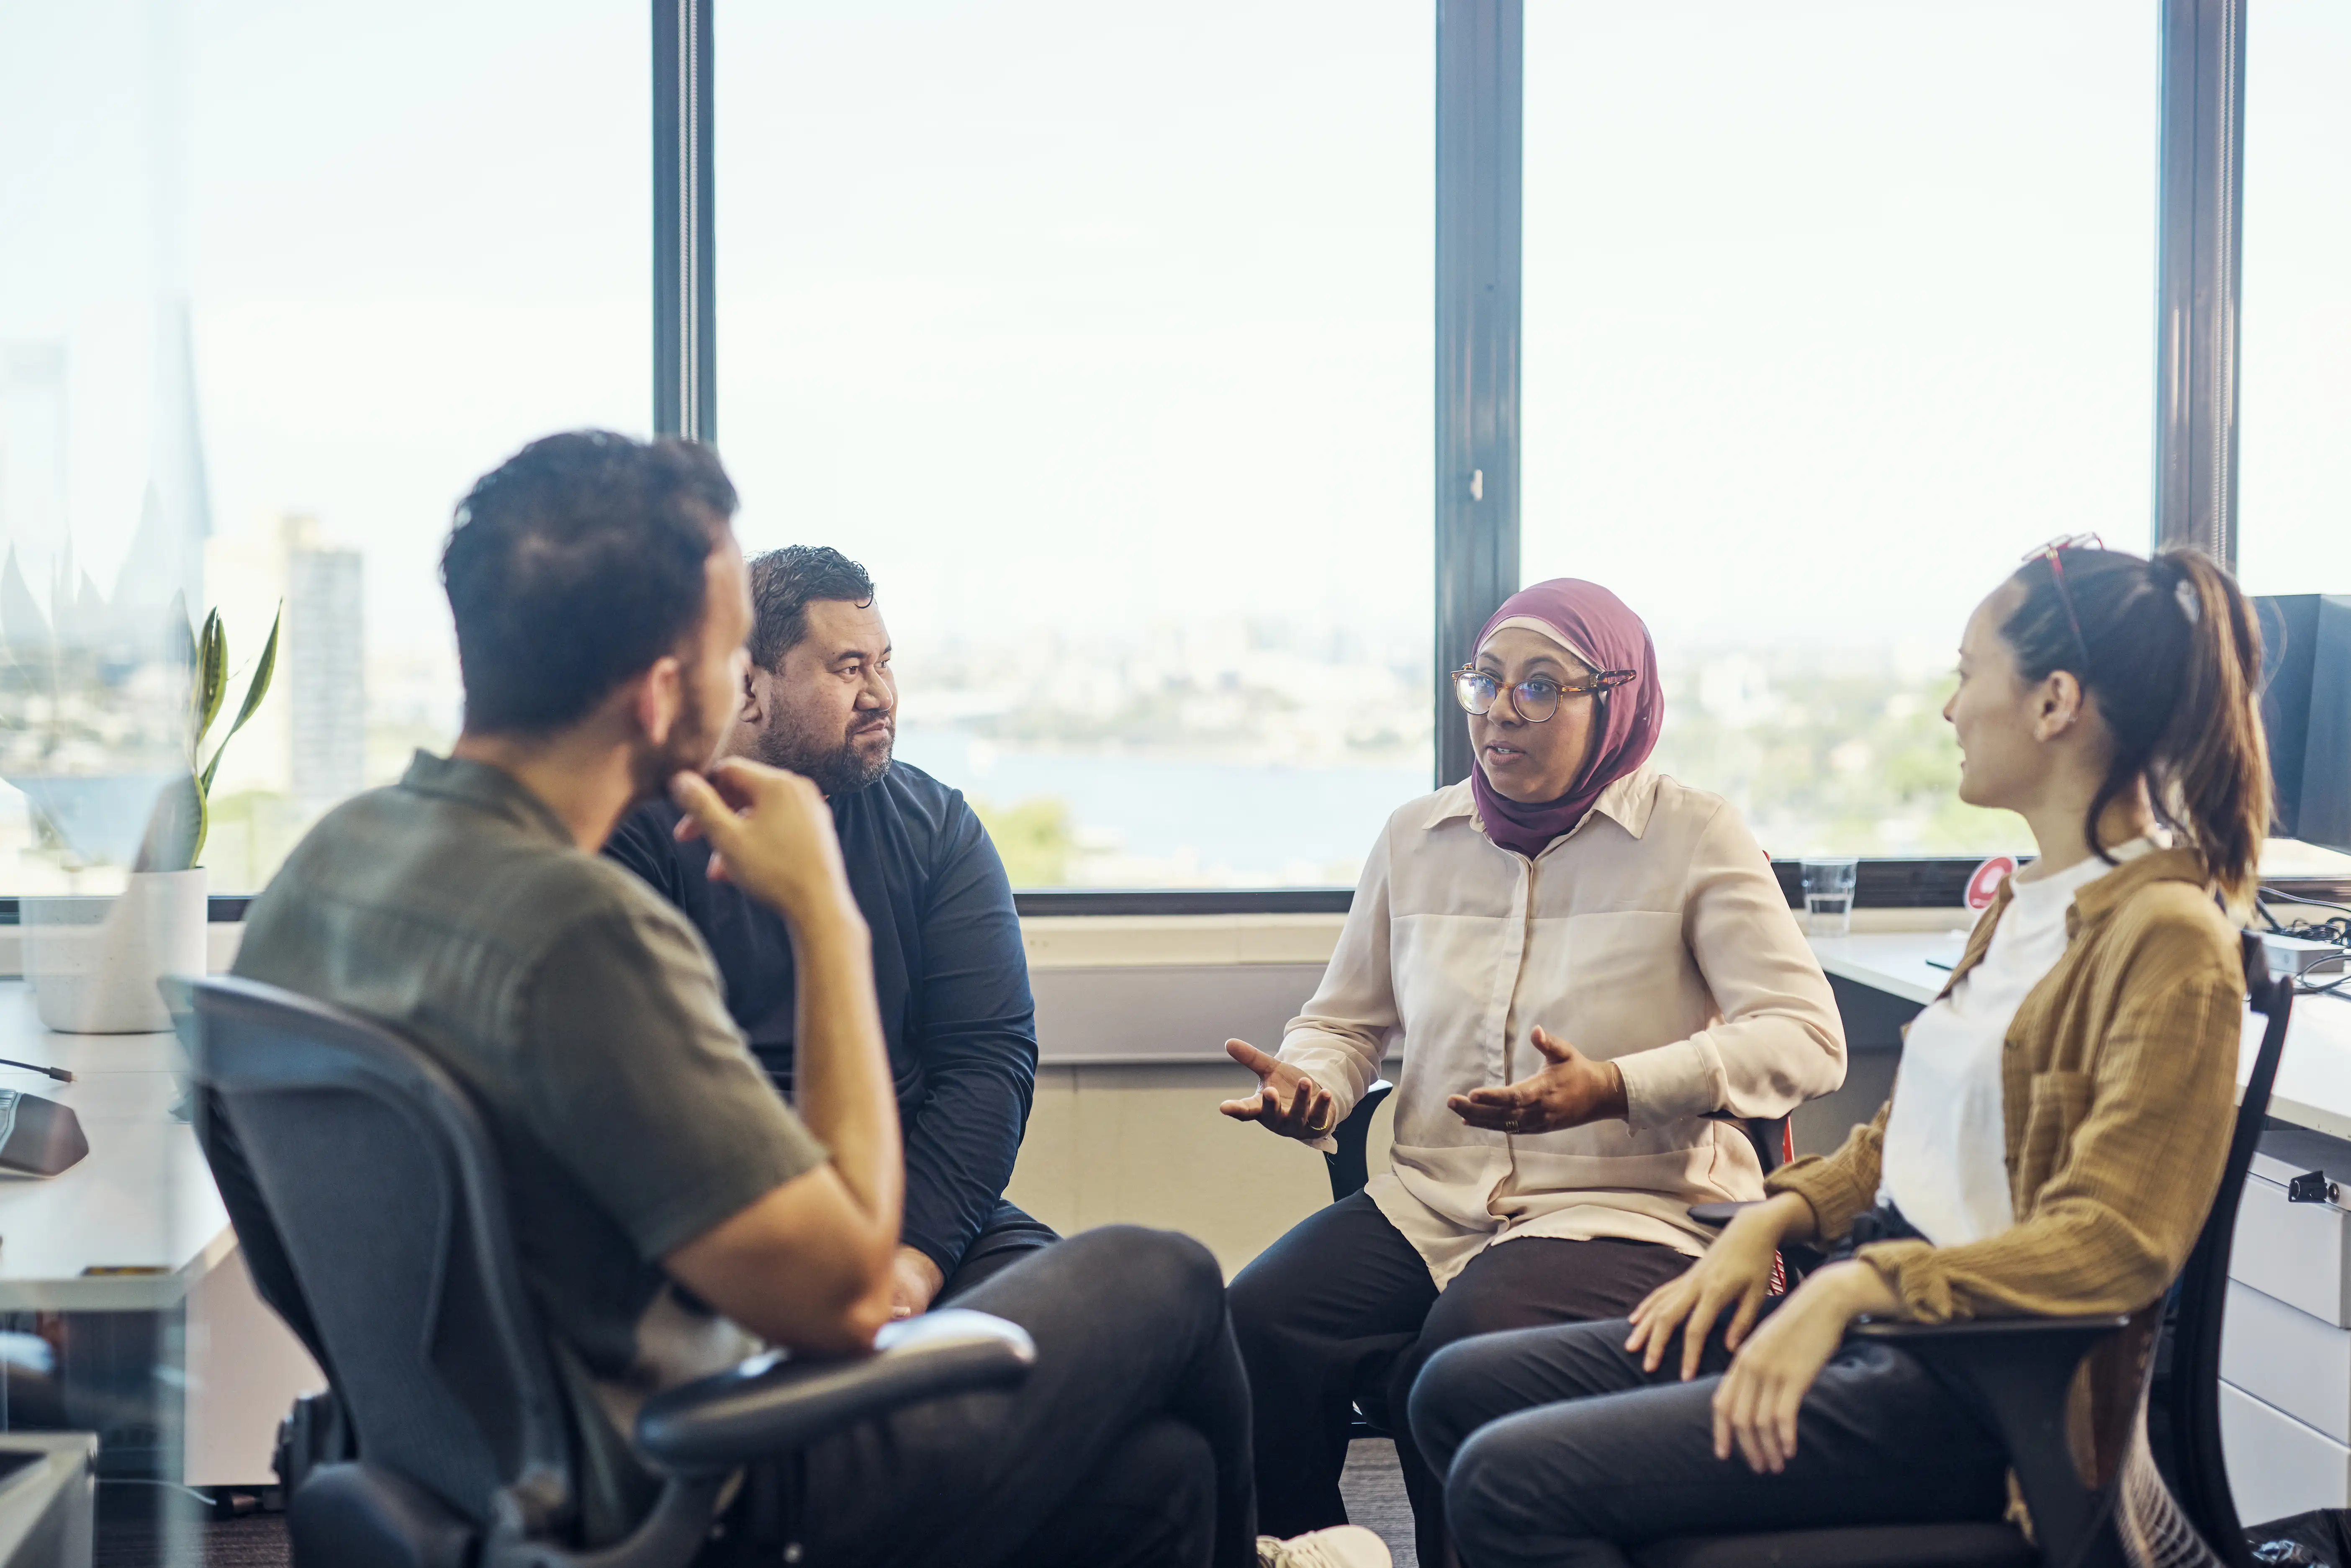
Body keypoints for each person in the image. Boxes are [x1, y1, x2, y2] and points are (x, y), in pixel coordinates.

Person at [233, 431, 1387, 1568]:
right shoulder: (580, 929)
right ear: (666, 688)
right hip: (705, 1481)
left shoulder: (325, 869)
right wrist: (824, 913)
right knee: (1170, 1271)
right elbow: (838, 1299)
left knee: (1161, 1485)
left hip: (485, 1456)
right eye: (731, 642)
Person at [1409, 541, 2270, 1568]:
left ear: (2055, 703)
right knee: (1452, 1390)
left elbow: (2116, 1242)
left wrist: (1858, 1287)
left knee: (1512, 1482)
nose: (1951, 712)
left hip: (1975, 1391)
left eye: (1966, 676)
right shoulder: (2029, 903)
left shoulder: (2168, 939)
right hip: (1893, 1327)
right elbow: (1903, 1140)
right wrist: (1774, 1214)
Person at [1218, 577, 1847, 1565]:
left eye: (1543, 686)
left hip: (1632, 1203)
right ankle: (1308, 1550)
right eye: (1487, 681)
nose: (1503, 710)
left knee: (1464, 1353)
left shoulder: (1695, 836)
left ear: (1619, 701)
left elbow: (1807, 1036)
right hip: (1435, 1198)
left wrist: (1621, 1084)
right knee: (1257, 1320)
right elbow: (1343, 1023)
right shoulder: (1415, 839)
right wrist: (1314, 1086)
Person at [606, 545, 1054, 1319]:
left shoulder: (938, 826)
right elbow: (645, 1103)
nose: (881, 694)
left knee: (1148, 1301)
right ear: (750, 684)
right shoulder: (641, 834)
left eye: (884, 664)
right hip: (726, 1225)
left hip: (914, 1204)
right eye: (848, 669)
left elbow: (987, 1063)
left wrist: (913, 1264)